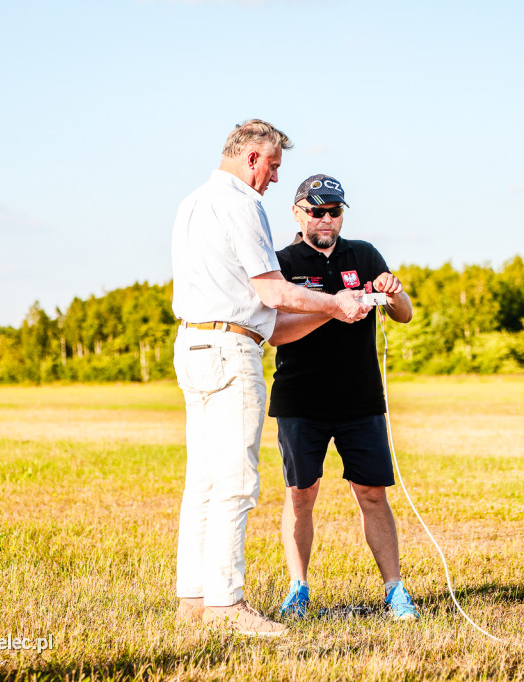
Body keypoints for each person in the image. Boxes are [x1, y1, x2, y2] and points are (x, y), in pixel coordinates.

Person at [171, 122, 371, 637]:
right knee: (235, 482)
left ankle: (192, 598)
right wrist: (336, 302)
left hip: (192, 344)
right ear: (254, 157)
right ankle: (226, 604)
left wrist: (327, 313)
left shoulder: (192, 202)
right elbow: (273, 291)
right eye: (275, 167)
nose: (275, 179)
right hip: (229, 348)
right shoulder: (241, 203)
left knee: (204, 481)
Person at [267, 174, 420, 621]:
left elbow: (405, 314)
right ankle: (298, 589)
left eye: (334, 211)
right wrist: (334, 307)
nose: (327, 220)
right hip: (301, 399)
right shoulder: (282, 262)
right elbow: (275, 332)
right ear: (298, 213)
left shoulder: (364, 254)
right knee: (301, 493)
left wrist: (391, 293)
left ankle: (395, 591)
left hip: (361, 398)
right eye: (317, 211)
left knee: (372, 493)